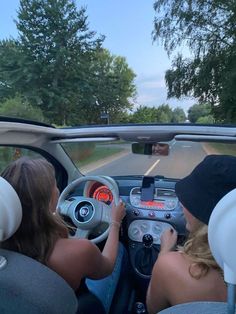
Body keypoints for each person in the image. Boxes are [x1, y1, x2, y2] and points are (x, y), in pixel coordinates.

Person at [0, 157, 126, 314]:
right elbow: (106, 268)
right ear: (48, 201)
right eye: (54, 185)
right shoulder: (79, 251)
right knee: (120, 249)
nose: (58, 189)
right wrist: (115, 223)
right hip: (77, 306)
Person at [146, 155, 236, 314]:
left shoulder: (169, 267)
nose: (181, 203)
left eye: (189, 199)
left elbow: (153, 310)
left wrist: (165, 252)